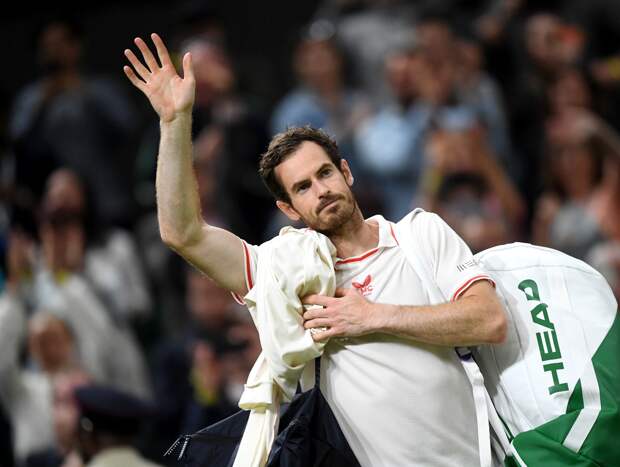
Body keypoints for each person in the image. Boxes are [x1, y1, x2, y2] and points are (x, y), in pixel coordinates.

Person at [123, 33, 507, 466]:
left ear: (346, 172)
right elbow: (183, 233)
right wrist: (174, 122)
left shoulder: (420, 233)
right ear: (288, 209)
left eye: (325, 173)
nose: (321, 190)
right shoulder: (283, 269)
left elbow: (489, 320)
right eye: (303, 187)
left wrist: (373, 316)